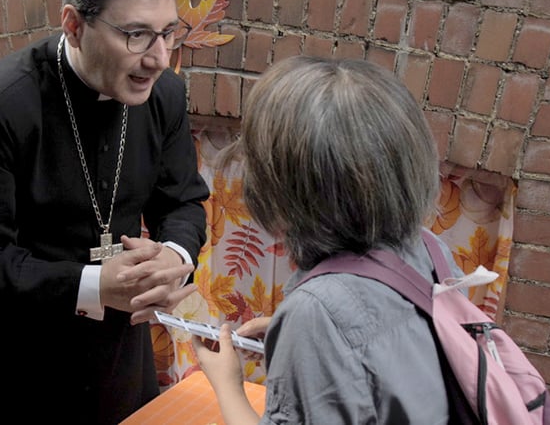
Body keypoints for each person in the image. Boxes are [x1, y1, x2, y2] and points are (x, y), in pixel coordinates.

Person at [0, 0, 209, 425]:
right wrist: (93, 283)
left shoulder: (165, 95)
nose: (159, 57)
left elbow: (183, 201)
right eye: (137, 34)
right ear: (75, 25)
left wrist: (175, 255)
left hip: (113, 356)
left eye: (169, 32)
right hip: (7, 364)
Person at [193, 56, 453, 424]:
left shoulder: (316, 312)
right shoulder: (429, 248)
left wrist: (227, 383)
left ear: (287, 188)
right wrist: (299, 340)